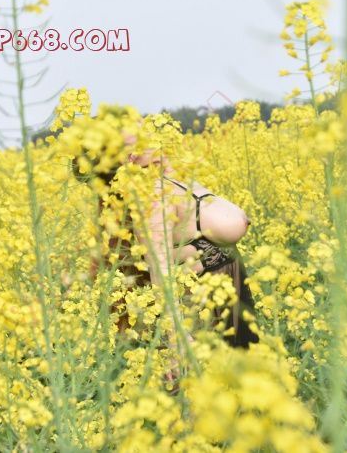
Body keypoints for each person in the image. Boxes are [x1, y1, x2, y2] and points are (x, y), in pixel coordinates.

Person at [81, 127, 259, 350]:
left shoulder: (169, 182)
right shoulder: (153, 197)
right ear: (130, 157)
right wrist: (178, 342)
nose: (156, 138)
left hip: (228, 292)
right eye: (143, 137)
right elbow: (160, 270)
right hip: (206, 307)